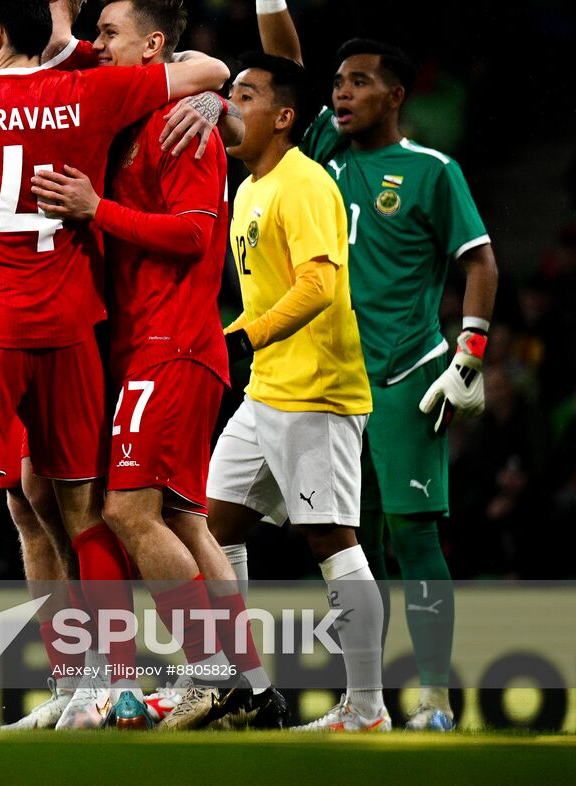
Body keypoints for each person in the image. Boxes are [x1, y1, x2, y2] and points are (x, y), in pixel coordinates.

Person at [0, 0, 230, 730]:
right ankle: (121, 687)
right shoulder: (97, 95)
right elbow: (204, 71)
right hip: (70, 328)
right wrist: (211, 98)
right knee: (82, 508)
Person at [248, 0, 498, 731]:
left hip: (404, 374)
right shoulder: (318, 151)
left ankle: (433, 701)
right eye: (340, 83)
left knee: (411, 538)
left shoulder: (431, 170)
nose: (342, 93)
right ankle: (367, 702)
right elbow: (284, 75)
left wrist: (469, 355)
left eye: (360, 83)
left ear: (396, 95)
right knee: (354, 546)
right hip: (329, 384)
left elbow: (481, 261)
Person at [31, 0, 286, 731]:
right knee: (186, 518)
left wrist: (95, 209)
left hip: (171, 344)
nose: (99, 44)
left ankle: (208, 676)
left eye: (109, 33)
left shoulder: (183, 125)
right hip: (154, 346)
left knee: (127, 511)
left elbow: (195, 236)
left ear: (151, 49)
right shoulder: (143, 114)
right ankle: (251, 685)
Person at [204, 52, 390, 732]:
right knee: (209, 527)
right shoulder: (249, 188)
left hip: (317, 391)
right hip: (267, 392)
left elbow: (319, 282)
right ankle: (238, 686)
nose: (229, 105)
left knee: (331, 540)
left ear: (283, 116)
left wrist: (244, 335)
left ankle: (367, 710)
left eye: (244, 95)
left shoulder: (302, 181)